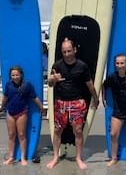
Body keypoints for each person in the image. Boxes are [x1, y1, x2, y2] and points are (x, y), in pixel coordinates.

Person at [46, 38, 99, 170]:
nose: (67, 54)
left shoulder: (82, 66)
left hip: (77, 103)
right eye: (64, 52)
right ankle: (55, 157)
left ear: (75, 50)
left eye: (69, 51)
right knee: (57, 130)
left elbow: (90, 85)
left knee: (78, 131)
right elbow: (50, 84)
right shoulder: (57, 66)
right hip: (61, 103)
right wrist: (53, 79)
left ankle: (78, 158)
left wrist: (96, 99)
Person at [1, 66, 46, 166]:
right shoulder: (8, 85)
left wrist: (41, 107)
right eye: (13, 75)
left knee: (21, 135)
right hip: (10, 113)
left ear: (21, 75)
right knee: (11, 135)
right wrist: (2, 106)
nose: (15, 77)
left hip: (22, 113)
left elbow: (34, 97)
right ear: (10, 76)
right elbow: (5, 97)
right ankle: (11, 157)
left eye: (17, 75)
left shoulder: (27, 85)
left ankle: (23, 157)